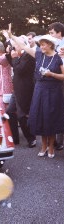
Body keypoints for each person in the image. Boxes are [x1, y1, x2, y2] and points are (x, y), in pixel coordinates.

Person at [8, 25, 64, 158]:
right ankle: (43, 145)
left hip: (53, 91)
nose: (41, 47)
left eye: (44, 45)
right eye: (41, 45)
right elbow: (24, 45)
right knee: (40, 118)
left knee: (50, 118)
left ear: (50, 45)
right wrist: (12, 36)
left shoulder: (58, 58)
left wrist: (52, 74)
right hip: (39, 89)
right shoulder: (38, 54)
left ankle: (51, 146)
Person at [2, 31, 36, 148]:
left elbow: (19, 70)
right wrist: (9, 54)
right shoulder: (18, 55)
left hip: (25, 90)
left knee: (22, 116)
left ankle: (31, 138)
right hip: (16, 89)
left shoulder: (28, 56)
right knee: (9, 112)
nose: (14, 47)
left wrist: (14, 58)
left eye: (15, 45)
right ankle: (15, 139)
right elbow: (13, 64)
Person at [48, 22, 64, 151]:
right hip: (55, 80)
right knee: (58, 108)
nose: (50, 35)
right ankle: (58, 141)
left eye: (52, 32)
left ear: (59, 33)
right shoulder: (53, 45)